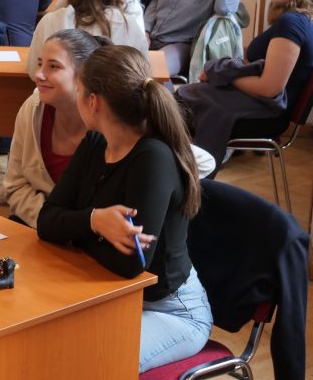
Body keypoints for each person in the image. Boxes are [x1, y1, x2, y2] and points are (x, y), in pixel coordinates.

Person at [36, 45, 213, 373]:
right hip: (110, 295)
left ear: (93, 102)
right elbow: (46, 221)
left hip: (171, 311)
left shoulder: (153, 158)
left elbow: (131, 265)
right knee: (43, 349)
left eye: (79, 91)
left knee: (86, 365)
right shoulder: (94, 144)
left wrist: (77, 231)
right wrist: (95, 222)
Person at [177, 0, 313, 165]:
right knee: (178, 100)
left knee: (172, 108)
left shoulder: (292, 23)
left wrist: (223, 75)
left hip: (265, 115)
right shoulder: (307, 20)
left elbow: (269, 88)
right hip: (264, 108)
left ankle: (187, 173)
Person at [5, 29, 106, 226]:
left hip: (91, 235)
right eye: (40, 64)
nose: (38, 74)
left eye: (53, 66)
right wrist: (54, 223)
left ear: (83, 76)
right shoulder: (32, 108)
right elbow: (16, 185)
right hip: (41, 225)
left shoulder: (107, 123)